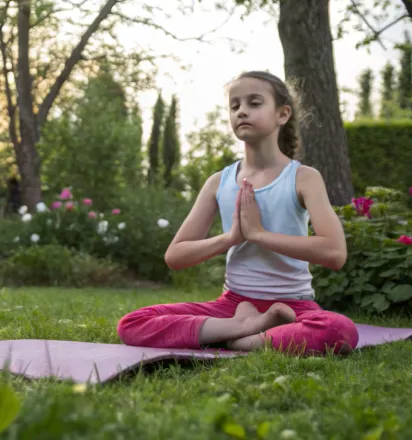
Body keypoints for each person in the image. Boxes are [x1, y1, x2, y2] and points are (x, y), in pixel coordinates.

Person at [117, 71, 358, 355]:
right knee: (134, 323)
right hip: (233, 306)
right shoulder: (219, 182)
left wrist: (259, 235)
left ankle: (245, 339)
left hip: (293, 306)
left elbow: (334, 252)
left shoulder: (303, 178)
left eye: (254, 103)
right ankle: (244, 329)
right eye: (235, 106)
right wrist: (231, 238)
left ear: (282, 114)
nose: (242, 111)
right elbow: (176, 256)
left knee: (339, 330)